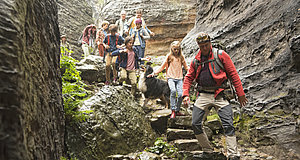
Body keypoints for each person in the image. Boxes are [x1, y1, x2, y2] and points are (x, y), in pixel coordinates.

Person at [182, 32, 248, 159]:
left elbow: (233, 74)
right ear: (199, 46)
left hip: (221, 95)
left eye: (206, 45)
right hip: (203, 95)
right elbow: (188, 77)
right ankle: (208, 151)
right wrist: (185, 95)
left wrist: (240, 94)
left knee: (228, 124)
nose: (204, 48)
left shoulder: (221, 55)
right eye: (202, 46)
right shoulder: (196, 61)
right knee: (195, 123)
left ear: (210, 43)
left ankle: (233, 154)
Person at [148, 41, 189, 118]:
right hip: (171, 78)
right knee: (173, 91)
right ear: (171, 49)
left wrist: (193, 73)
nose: (176, 51)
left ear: (180, 49)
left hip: (179, 78)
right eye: (174, 49)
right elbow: (162, 66)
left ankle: (177, 110)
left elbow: (186, 67)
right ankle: (173, 110)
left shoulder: (181, 57)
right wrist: (154, 73)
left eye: (177, 49)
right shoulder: (169, 56)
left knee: (180, 94)